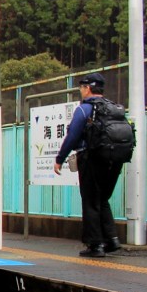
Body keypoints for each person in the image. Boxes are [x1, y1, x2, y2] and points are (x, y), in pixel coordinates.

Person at [53, 72, 124, 257]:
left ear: (87, 88)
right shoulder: (113, 108)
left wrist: (60, 159)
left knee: (91, 201)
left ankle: (96, 245)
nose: (81, 91)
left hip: (92, 158)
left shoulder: (85, 109)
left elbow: (73, 136)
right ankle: (112, 240)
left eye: (82, 88)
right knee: (102, 199)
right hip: (114, 160)